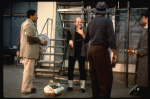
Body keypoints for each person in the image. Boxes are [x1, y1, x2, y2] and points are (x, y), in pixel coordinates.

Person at [85, 2, 117, 98]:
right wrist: (115, 54)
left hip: (91, 50)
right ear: (105, 13)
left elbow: (86, 39)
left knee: (94, 79)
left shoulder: (90, 22)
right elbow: (111, 39)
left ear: (96, 12)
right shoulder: (107, 21)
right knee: (106, 79)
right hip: (100, 51)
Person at [19, 9, 47, 94]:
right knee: (28, 71)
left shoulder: (30, 24)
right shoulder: (28, 24)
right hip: (29, 52)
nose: (37, 17)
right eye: (36, 15)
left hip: (30, 52)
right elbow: (29, 38)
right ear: (31, 16)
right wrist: (40, 41)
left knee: (29, 71)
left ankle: (29, 87)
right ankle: (25, 89)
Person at [128, 10, 148, 98]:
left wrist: (137, 51)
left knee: (145, 83)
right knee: (142, 82)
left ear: (147, 19)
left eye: (143, 18)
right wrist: (134, 51)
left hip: (146, 60)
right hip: (142, 59)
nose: (141, 20)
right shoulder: (144, 30)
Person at [66, 17, 87, 93]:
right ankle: (70, 86)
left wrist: (82, 34)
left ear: (82, 23)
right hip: (73, 52)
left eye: (80, 22)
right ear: (75, 23)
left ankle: (82, 87)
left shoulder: (85, 30)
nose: (79, 23)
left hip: (82, 52)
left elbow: (87, 40)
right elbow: (67, 38)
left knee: (82, 70)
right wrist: (69, 41)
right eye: (77, 22)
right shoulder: (70, 29)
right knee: (70, 69)